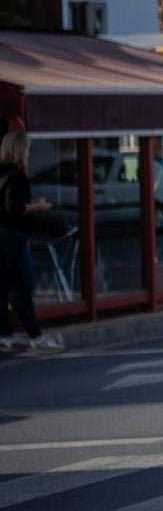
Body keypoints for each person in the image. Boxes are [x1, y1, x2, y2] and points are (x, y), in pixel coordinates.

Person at [0, 131, 59, 353]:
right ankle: (36, 336)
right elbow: (14, 208)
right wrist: (37, 206)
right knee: (23, 287)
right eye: (27, 149)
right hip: (12, 238)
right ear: (19, 151)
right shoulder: (17, 177)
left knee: (3, 288)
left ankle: (4, 334)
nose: (28, 154)